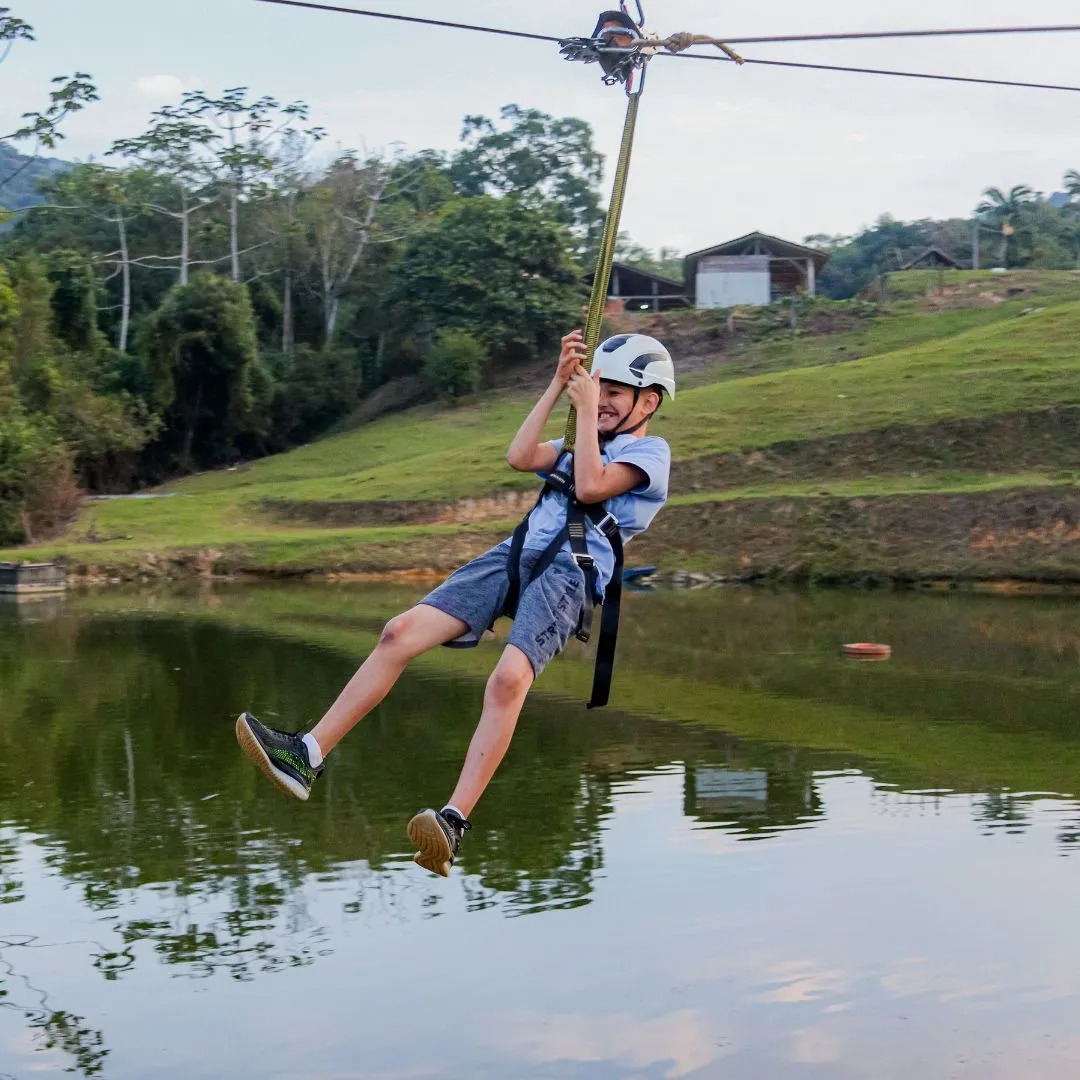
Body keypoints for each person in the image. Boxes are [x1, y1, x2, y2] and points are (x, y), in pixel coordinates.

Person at [235, 329, 675, 877]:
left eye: (615, 392)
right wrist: (556, 385)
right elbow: (519, 456)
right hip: (516, 553)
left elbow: (589, 487)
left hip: (570, 572)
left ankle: (453, 821)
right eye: (598, 387)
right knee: (398, 632)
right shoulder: (579, 438)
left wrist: (585, 411)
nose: (602, 398)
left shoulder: (650, 455)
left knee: (508, 680)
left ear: (647, 402)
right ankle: (307, 755)